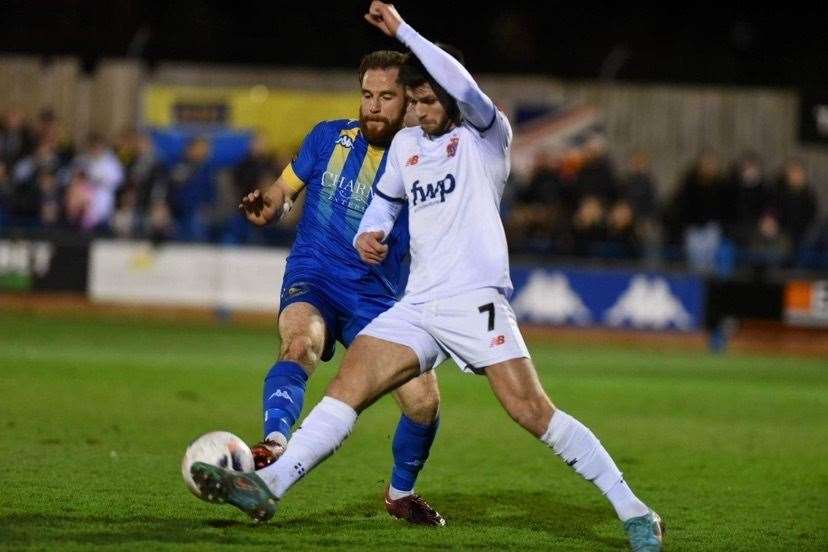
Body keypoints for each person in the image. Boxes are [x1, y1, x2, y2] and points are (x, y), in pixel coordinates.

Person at [191, 3, 663, 550]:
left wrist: (404, 32)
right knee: (349, 385)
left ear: (451, 94)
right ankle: (270, 484)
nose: (419, 110)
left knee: (531, 411)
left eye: (427, 98)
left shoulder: (488, 137)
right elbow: (385, 204)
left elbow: (461, 84)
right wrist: (372, 233)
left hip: (475, 300)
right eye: (412, 101)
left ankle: (634, 510)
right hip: (418, 303)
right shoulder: (409, 147)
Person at [234, 49, 444, 525]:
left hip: (379, 298)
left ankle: (399, 493)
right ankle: (273, 445)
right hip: (316, 275)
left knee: (424, 402)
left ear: (409, 101)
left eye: (386, 96)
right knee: (299, 344)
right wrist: (269, 205)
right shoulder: (327, 137)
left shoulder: (426, 158)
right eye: (367, 94)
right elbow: (283, 190)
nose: (373, 106)